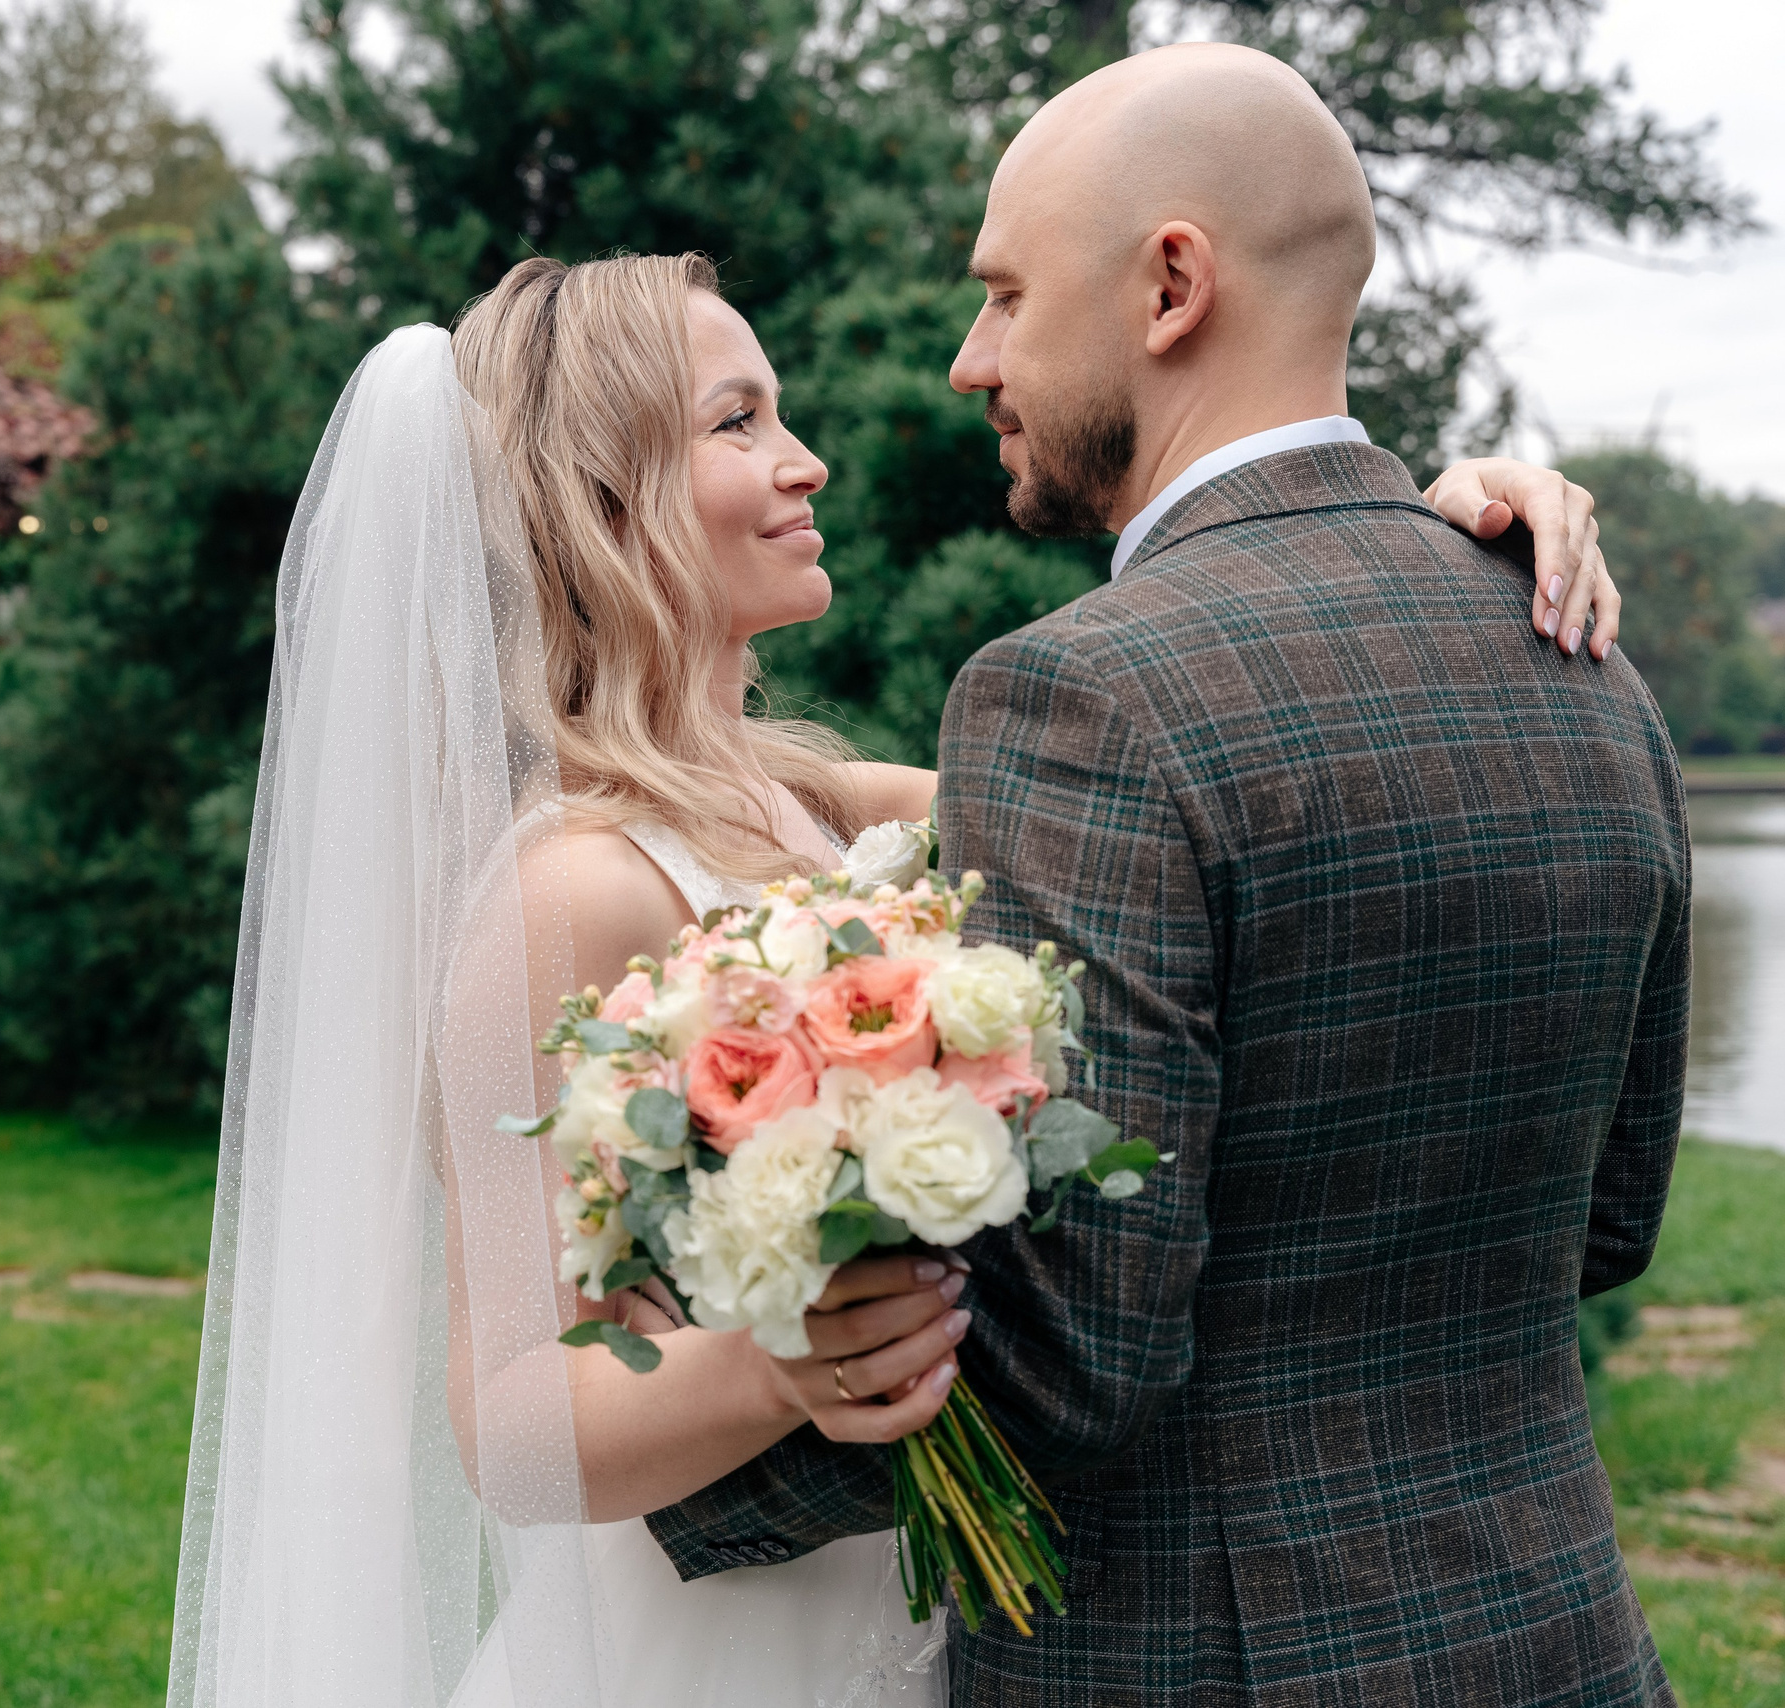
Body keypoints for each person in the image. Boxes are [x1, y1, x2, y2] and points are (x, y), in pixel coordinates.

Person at [167, 225, 1635, 1705]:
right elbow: (510, 1420)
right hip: (721, 1648)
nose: (805, 461)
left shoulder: (813, 803)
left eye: (779, 410)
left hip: (930, 1619)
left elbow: (1201, 793)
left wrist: (1428, 537)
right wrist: (776, 1370)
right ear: (600, 500)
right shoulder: (567, 887)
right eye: (738, 422)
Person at [648, 42, 1688, 1707]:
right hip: (1556, 1639)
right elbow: (1611, 1219)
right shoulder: (1584, 659)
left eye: (1003, 295)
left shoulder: (1082, 692)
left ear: (1172, 284)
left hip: (1202, 1661)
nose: (969, 358)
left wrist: (650, 1487)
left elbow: (1077, 1351)